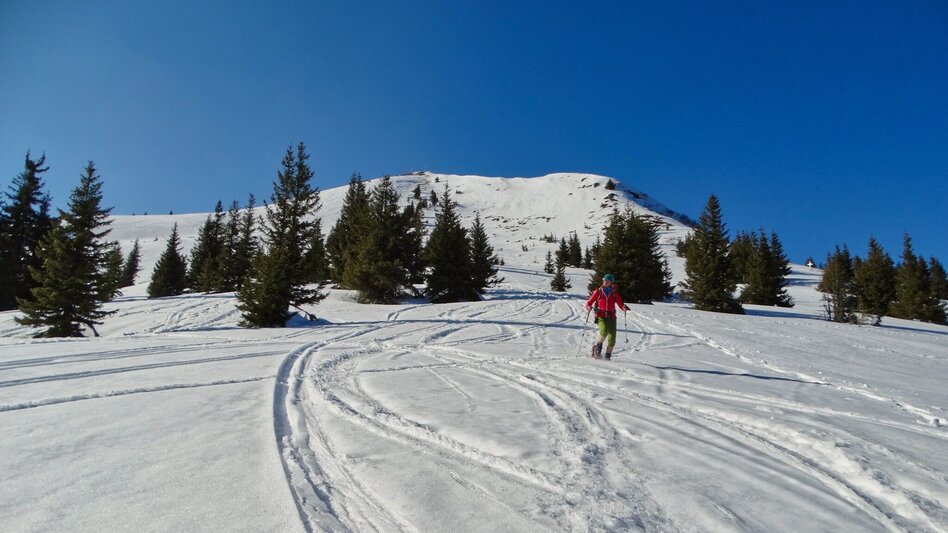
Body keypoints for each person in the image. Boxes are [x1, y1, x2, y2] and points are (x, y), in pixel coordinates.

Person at [585, 274, 630, 359]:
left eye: (607, 280)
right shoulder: (598, 291)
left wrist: (623, 307)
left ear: (611, 282)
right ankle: (597, 350)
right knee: (604, 329)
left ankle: (607, 357)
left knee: (612, 338)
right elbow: (589, 303)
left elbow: (620, 303)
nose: (605, 282)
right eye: (604, 280)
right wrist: (589, 307)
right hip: (600, 315)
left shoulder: (614, 293)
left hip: (612, 316)